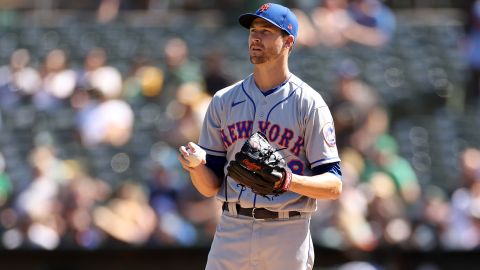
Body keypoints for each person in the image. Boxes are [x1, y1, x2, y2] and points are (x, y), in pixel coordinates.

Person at [178, 3, 342, 270]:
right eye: (253, 30)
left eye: (266, 31)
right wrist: (196, 167)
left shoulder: (309, 104)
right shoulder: (223, 100)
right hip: (233, 226)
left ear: (288, 41)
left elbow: (334, 185)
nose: (255, 37)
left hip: (287, 231)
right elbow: (210, 186)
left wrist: (289, 180)